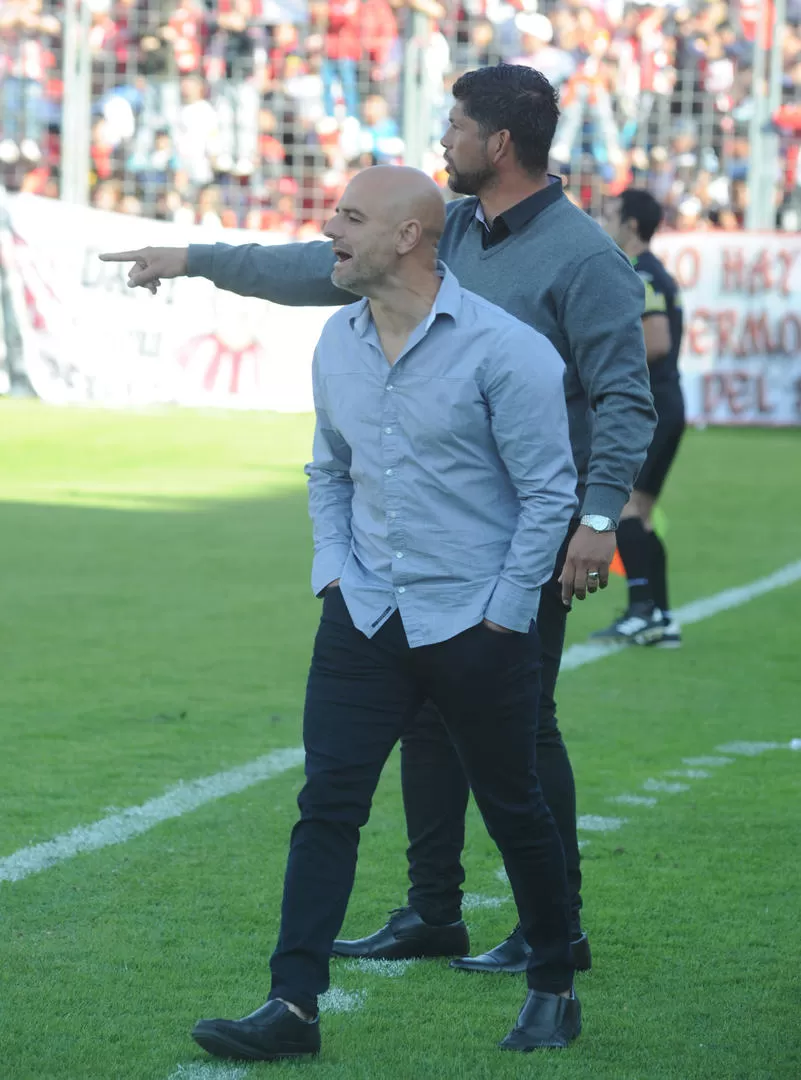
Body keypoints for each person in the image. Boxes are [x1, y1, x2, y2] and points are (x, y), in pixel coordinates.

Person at [100, 63, 657, 977]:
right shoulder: (443, 230)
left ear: (499, 143)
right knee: (424, 727)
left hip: (526, 532)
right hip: (414, 543)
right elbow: (309, 268)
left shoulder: (584, 259)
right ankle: (433, 911)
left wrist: (596, 520)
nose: (443, 138)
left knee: (521, 735)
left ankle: (555, 927)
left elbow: (623, 399)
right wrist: (195, 260)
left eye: (455, 124)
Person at [190, 164, 582, 1060]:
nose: (330, 228)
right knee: (326, 805)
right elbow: (328, 469)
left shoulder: (505, 349)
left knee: (513, 805)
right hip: (364, 617)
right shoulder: (336, 341)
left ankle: (553, 980)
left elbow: (546, 492)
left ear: (409, 237)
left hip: (475, 623)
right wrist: (334, 571)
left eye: (350, 217)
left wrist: (504, 612)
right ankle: (292, 1007)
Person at [593, 188, 684, 647]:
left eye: (610, 213)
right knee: (642, 514)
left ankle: (641, 610)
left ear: (630, 225)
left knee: (626, 507)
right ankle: (663, 617)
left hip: (651, 407)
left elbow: (658, 342)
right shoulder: (657, 274)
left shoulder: (639, 273)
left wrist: (600, 366)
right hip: (669, 404)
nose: (603, 220)